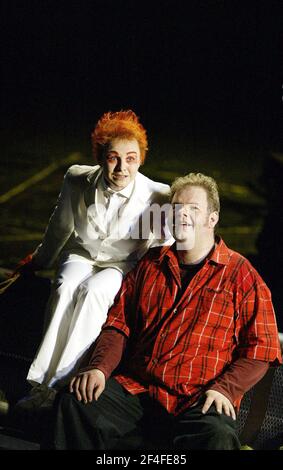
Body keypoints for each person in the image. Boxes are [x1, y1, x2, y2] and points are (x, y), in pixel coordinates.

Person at [51, 172, 282, 450]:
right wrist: (99, 368)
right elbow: (118, 325)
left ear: (212, 219)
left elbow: (262, 349)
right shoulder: (151, 264)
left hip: (197, 399)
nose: (182, 214)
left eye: (193, 209)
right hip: (138, 390)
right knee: (76, 403)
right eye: (176, 208)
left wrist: (225, 389)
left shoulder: (241, 276)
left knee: (217, 436)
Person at [17, 110, 173, 406]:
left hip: (121, 264)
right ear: (101, 156)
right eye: (114, 157)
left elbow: (164, 249)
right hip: (82, 253)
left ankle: (61, 387)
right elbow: (60, 227)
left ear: (141, 158)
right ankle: (39, 384)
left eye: (131, 158)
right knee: (65, 286)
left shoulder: (158, 196)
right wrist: (39, 260)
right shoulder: (77, 178)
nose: (122, 167)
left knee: (93, 292)